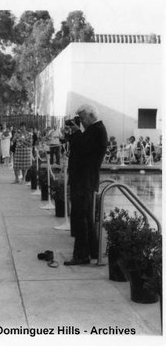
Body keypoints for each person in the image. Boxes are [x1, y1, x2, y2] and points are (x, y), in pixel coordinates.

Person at [64, 104, 108, 266]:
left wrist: (76, 133)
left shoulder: (97, 130)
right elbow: (81, 146)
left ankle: (82, 255)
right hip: (83, 179)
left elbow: (83, 147)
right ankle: (92, 251)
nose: (81, 122)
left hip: (85, 180)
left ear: (91, 116)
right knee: (86, 217)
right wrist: (72, 135)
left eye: (82, 118)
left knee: (81, 217)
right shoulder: (93, 130)